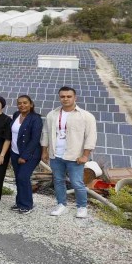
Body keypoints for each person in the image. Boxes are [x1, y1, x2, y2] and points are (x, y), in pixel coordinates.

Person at [41, 86, 97, 219]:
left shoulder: (86, 116)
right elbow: (46, 133)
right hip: (56, 155)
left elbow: (91, 136)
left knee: (77, 183)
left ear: (75, 98)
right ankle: (61, 204)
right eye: (62, 96)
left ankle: (82, 207)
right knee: (58, 181)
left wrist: (85, 155)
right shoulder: (52, 114)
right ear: (59, 97)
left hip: (75, 156)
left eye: (68, 96)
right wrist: (44, 151)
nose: (65, 99)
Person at [9, 95, 44, 215]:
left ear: (31, 104)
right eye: (19, 103)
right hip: (14, 152)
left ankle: (27, 205)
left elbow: (35, 140)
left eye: (25, 103)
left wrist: (24, 156)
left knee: (23, 177)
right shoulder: (15, 115)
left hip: (30, 154)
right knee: (18, 178)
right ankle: (19, 202)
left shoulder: (36, 118)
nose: (22, 105)